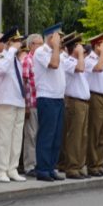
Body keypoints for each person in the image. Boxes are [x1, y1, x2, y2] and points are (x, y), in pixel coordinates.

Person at [32, 24, 72, 182]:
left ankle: (51, 167)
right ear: (50, 37)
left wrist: (59, 49)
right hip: (46, 97)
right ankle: (42, 169)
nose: (61, 40)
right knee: (47, 135)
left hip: (58, 98)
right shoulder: (41, 52)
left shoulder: (59, 53)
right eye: (58, 37)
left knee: (56, 136)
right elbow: (53, 65)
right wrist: (55, 47)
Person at [0, 26, 28, 182]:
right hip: (4, 102)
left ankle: (12, 168)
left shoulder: (15, 60)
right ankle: (2, 170)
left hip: (18, 101)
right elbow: (2, 71)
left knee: (16, 138)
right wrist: (11, 50)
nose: (20, 44)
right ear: (9, 43)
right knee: (4, 138)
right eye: (17, 41)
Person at [59, 32, 89, 178]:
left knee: (82, 136)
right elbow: (81, 68)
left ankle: (79, 165)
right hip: (74, 102)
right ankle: (71, 167)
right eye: (79, 46)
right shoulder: (68, 61)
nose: (82, 49)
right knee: (74, 136)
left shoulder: (77, 60)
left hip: (83, 102)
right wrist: (79, 55)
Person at [85, 33, 103, 176]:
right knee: (94, 133)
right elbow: (99, 68)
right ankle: (92, 165)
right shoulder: (90, 59)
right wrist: (102, 53)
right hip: (96, 97)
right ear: (96, 46)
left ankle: (99, 164)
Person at [20, 33, 42, 177]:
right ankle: (29, 165)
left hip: (42, 102)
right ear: (30, 45)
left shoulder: (41, 60)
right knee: (31, 134)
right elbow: (23, 82)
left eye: (42, 43)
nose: (41, 47)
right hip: (32, 102)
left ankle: (38, 162)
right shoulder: (28, 60)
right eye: (37, 44)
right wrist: (26, 105)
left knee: (39, 134)